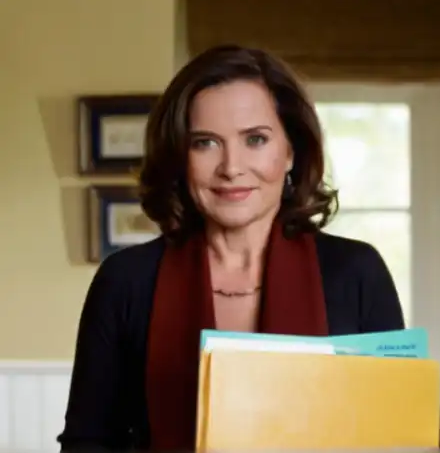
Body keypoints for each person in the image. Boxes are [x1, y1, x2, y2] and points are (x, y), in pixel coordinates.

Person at [58, 44, 405, 451]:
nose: (231, 167)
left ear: (290, 150)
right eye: (205, 143)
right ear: (179, 157)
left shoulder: (357, 272)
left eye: (255, 139)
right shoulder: (126, 281)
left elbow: (396, 441)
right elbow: (88, 443)